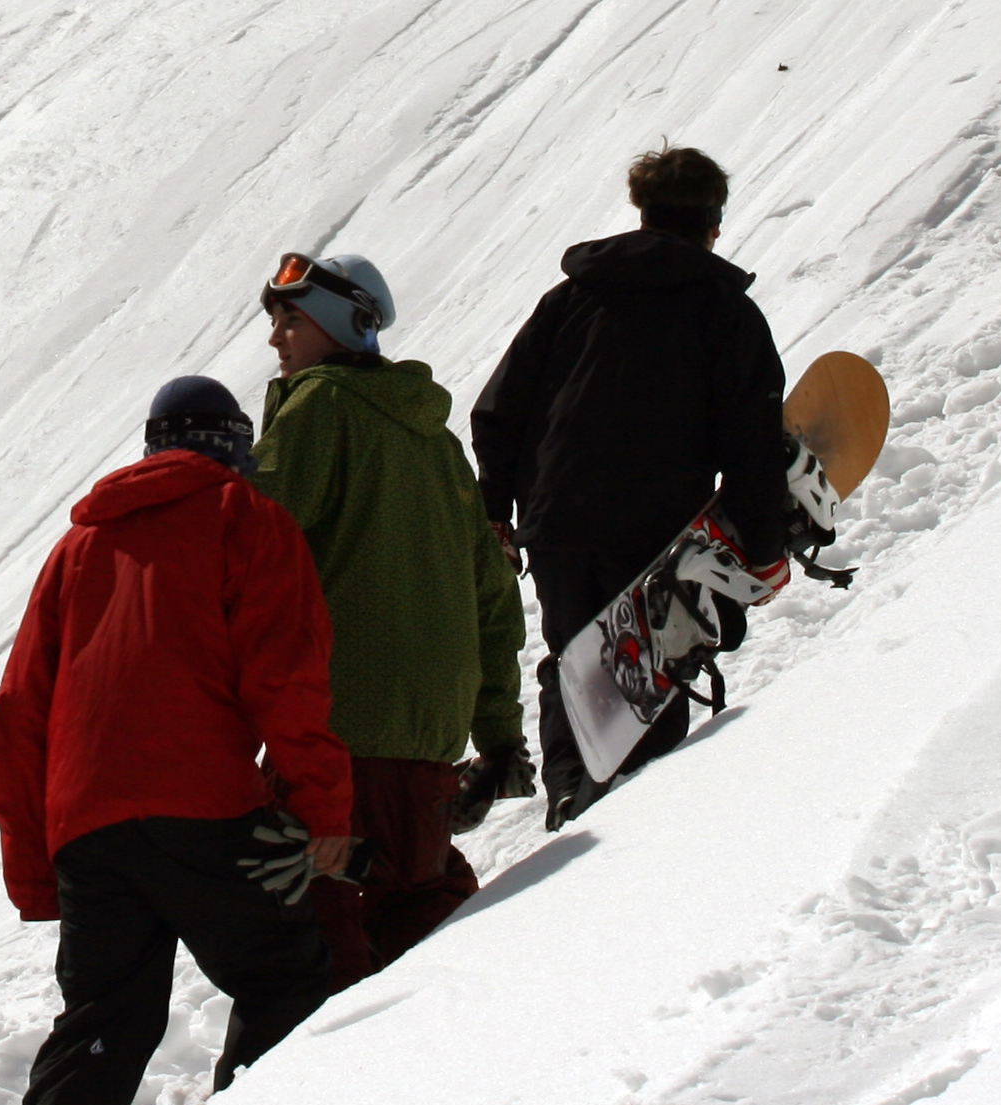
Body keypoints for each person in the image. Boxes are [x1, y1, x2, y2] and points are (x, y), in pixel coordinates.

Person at [0, 375, 357, 1105]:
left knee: (102, 1024)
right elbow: (286, 677)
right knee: (282, 977)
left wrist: (34, 868)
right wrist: (323, 811)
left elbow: (16, 719)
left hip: (86, 828)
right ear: (235, 450)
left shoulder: (78, 548)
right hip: (205, 807)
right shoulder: (245, 519)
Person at [470, 146, 794, 830]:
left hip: (555, 523)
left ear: (643, 213)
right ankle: (632, 823)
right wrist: (764, 547)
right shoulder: (723, 312)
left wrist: (496, 510)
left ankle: (571, 801)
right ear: (713, 222)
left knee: (576, 665)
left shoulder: (569, 300)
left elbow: (498, 411)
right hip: (651, 532)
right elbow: (753, 444)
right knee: (643, 676)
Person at [248, 250, 530, 987]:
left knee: (315, 939)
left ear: (344, 324)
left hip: (334, 733)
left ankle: (316, 1082)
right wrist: (498, 737)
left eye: (291, 320)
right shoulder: (435, 444)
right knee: (416, 910)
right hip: (425, 744)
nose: (276, 338)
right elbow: (493, 598)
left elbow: (252, 548)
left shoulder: (319, 411)